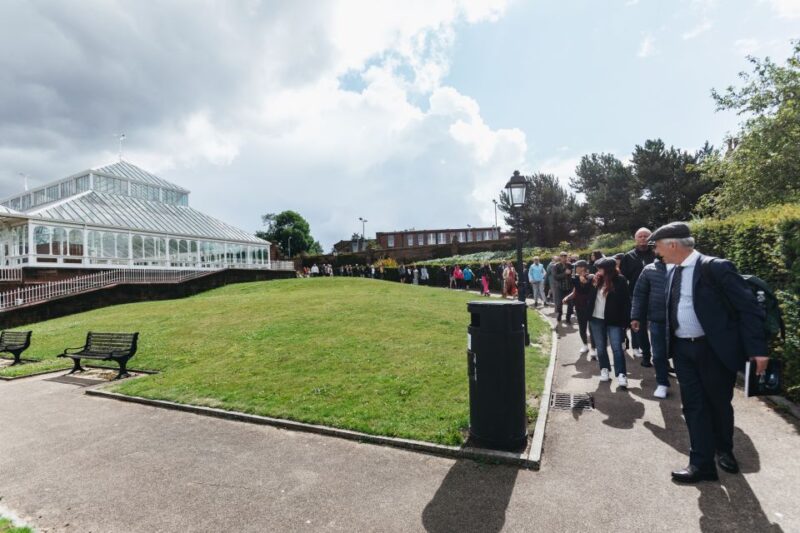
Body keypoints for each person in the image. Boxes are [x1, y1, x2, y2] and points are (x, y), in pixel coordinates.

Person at [651, 222, 768, 483]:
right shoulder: (671, 272)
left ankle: (724, 450)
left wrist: (758, 350)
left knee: (718, 404)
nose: (657, 253)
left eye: (658, 247)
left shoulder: (716, 268)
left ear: (672, 245)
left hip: (714, 350)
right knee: (693, 405)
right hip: (682, 350)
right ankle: (701, 464)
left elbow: (748, 309)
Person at [586, 257, 631, 387]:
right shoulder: (595, 279)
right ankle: (604, 369)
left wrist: (626, 322)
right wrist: (582, 281)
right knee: (600, 347)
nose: (598, 271)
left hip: (614, 320)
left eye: (600, 268)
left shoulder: (620, 280)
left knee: (617, 347)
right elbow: (585, 293)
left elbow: (626, 302)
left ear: (608, 269)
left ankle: (621, 374)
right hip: (595, 319)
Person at [630, 256, 670, 398]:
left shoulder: (683, 266)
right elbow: (639, 294)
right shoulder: (649, 269)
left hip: (680, 320)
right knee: (658, 354)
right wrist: (635, 316)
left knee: (681, 355)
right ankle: (662, 383)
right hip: (657, 319)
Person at [620, 228, 656, 362]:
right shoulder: (628, 256)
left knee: (656, 326)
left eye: (646, 236)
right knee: (638, 324)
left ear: (650, 238)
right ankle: (641, 351)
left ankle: (657, 353)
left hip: (655, 295)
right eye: (640, 236)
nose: (643, 238)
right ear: (635, 239)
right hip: (636, 296)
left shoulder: (656, 254)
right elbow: (623, 278)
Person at [563, 260, 595, 355]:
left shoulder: (591, 277)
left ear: (582, 268)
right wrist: (567, 297)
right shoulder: (575, 278)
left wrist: (587, 280)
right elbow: (575, 292)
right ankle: (585, 345)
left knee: (592, 328)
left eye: (576, 267)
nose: (574, 269)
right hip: (579, 306)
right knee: (582, 327)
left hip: (590, 306)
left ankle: (594, 348)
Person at [552, 252, 573, 323]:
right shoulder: (556, 266)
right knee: (559, 304)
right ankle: (560, 314)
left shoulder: (570, 265)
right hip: (559, 288)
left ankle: (568, 318)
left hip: (569, 287)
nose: (564, 258)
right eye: (562, 256)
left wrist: (572, 274)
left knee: (571, 303)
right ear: (560, 257)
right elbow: (555, 277)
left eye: (565, 256)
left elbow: (572, 275)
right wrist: (565, 273)